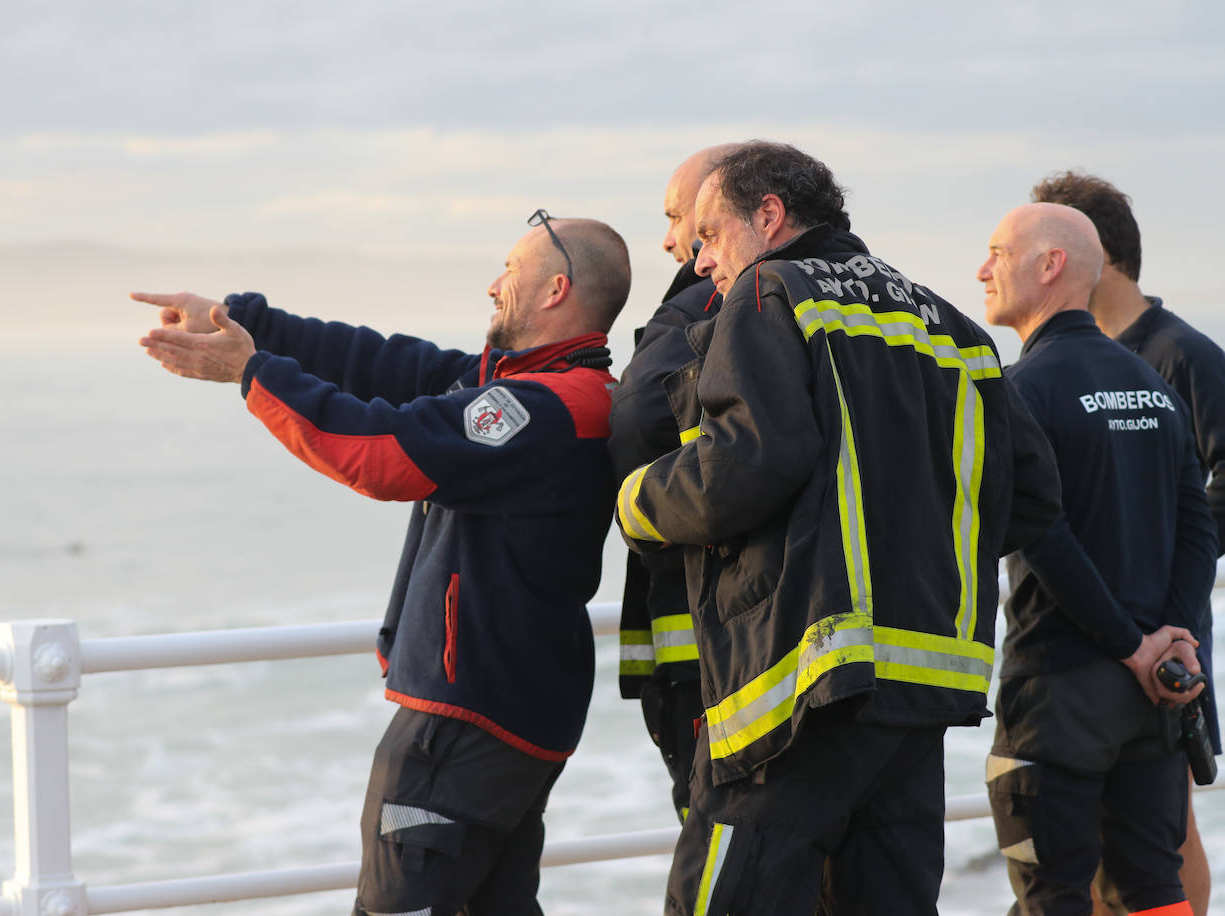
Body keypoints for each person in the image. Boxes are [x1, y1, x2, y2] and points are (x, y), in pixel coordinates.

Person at [134, 211, 631, 916]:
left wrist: (249, 373)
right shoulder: (531, 388)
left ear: (555, 290)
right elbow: (394, 365)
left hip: (465, 723)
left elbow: (381, 455)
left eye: (510, 273)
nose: (494, 285)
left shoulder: (544, 409)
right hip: (511, 714)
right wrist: (244, 322)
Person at [616, 141, 1062, 915]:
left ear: (770, 216)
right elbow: (1031, 498)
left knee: (723, 895)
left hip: (807, 685)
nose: (698, 264)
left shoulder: (766, 293)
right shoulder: (950, 323)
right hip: (926, 684)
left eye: (709, 236)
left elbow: (750, 459)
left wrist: (637, 502)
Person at [978, 202, 1216, 916]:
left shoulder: (1021, 392)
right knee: (1153, 889)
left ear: (1050, 266)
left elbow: (1042, 535)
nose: (981, 269)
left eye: (997, 253)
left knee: (1054, 896)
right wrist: (1167, 639)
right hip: (1155, 702)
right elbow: (1197, 525)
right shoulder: (1152, 386)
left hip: (1058, 693)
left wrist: (1129, 644)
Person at [611, 144, 737, 823]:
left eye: (676, 217)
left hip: (705, 651)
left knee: (720, 853)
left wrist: (642, 517)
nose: (667, 241)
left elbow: (634, 420)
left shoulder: (696, 307)